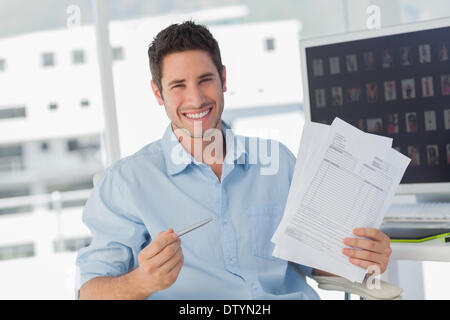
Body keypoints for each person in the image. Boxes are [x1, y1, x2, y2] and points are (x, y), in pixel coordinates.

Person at [76, 21, 392, 300]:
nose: (196, 99)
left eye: (205, 80)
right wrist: (141, 282)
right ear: (158, 93)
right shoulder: (126, 182)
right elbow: (89, 293)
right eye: (178, 86)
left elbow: (316, 264)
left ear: (223, 78)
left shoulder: (278, 162)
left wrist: (364, 263)